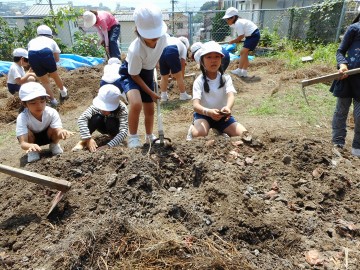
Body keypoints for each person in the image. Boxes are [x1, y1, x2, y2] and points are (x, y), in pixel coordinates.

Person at [118, 5, 168, 148]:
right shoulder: (135, 50)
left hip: (147, 72)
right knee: (136, 103)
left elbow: (157, 53)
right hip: (131, 74)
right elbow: (134, 75)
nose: (156, 40)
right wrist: (151, 92)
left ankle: (149, 135)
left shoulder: (162, 38)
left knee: (150, 109)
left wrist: (155, 64)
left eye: (157, 36)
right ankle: (133, 137)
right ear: (140, 33)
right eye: (151, 38)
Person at [187, 41, 248, 140]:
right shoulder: (199, 81)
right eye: (209, 57)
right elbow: (196, 105)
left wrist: (228, 108)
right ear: (202, 61)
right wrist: (209, 112)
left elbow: (231, 95)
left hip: (222, 115)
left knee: (243, 134)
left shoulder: (226, 78)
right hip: (204, 115)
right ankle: (192, 129)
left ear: (221, 60)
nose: (213, 60)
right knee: (199, 133)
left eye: (217, 57)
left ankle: (220, 130)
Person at [16, 82, 73, 163]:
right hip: (32, 140)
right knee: (27, 132)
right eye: (33, 103)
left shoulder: (51, 112)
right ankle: (32, 151)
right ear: (24, 104)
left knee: (54, 128)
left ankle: (54, 145)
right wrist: (30, 145)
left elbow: (57, 130)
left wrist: (62, 133)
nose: (39, 105)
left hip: (48, 136)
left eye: (42, 101)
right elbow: (23, 142)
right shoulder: (22, 117)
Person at [330, 10, 360, 156]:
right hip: (347, 77)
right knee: (341, 111)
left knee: (359, 116)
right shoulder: (355, 28)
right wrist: (342, 65)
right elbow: (340, 51)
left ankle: (357, 147)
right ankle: (338, 142)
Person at [72, 84, 128, 152]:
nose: (103, 110)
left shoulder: (122, 109)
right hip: (102, 126)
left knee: (111, 121)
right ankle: (83, 142)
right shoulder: (97, 106)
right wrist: (88, 138)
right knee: (96, 118)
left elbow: (123, 132)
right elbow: (82, 118)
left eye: (106, 108)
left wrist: (108, 145)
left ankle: (114, 139)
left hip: (114, 128)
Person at [28, 25, 68, 106]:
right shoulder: (51, 41)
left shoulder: (31, 41)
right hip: (45, 53)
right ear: (50, 35)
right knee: (55, 76)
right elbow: (57, 59)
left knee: (44, 81)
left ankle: (53, 101)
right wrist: (50, 69)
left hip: (32, 55)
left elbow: (31, 54)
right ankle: (63, 92)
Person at [223, 7, 260, 77]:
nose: (227, 21)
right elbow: (241, 36)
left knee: (242, 52)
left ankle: (239, 70)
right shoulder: (238, 22)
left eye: (227, 19)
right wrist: (237, 40)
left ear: (233, 17)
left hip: (253, 36)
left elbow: (241, 36)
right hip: (250, 36)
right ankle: (244, 72)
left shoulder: (238, 23)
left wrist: (233, 41)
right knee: (244, 53)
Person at [159, 36, 192, 102]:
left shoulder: (173, 40)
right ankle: (183, 95)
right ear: (186, 44)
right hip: (172, 51)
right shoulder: (183, 46)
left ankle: (163, 96)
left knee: (164, 76)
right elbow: (182, 64)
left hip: (161, 52)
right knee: (179, 76)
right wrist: (180, 76)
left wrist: (172, 72)